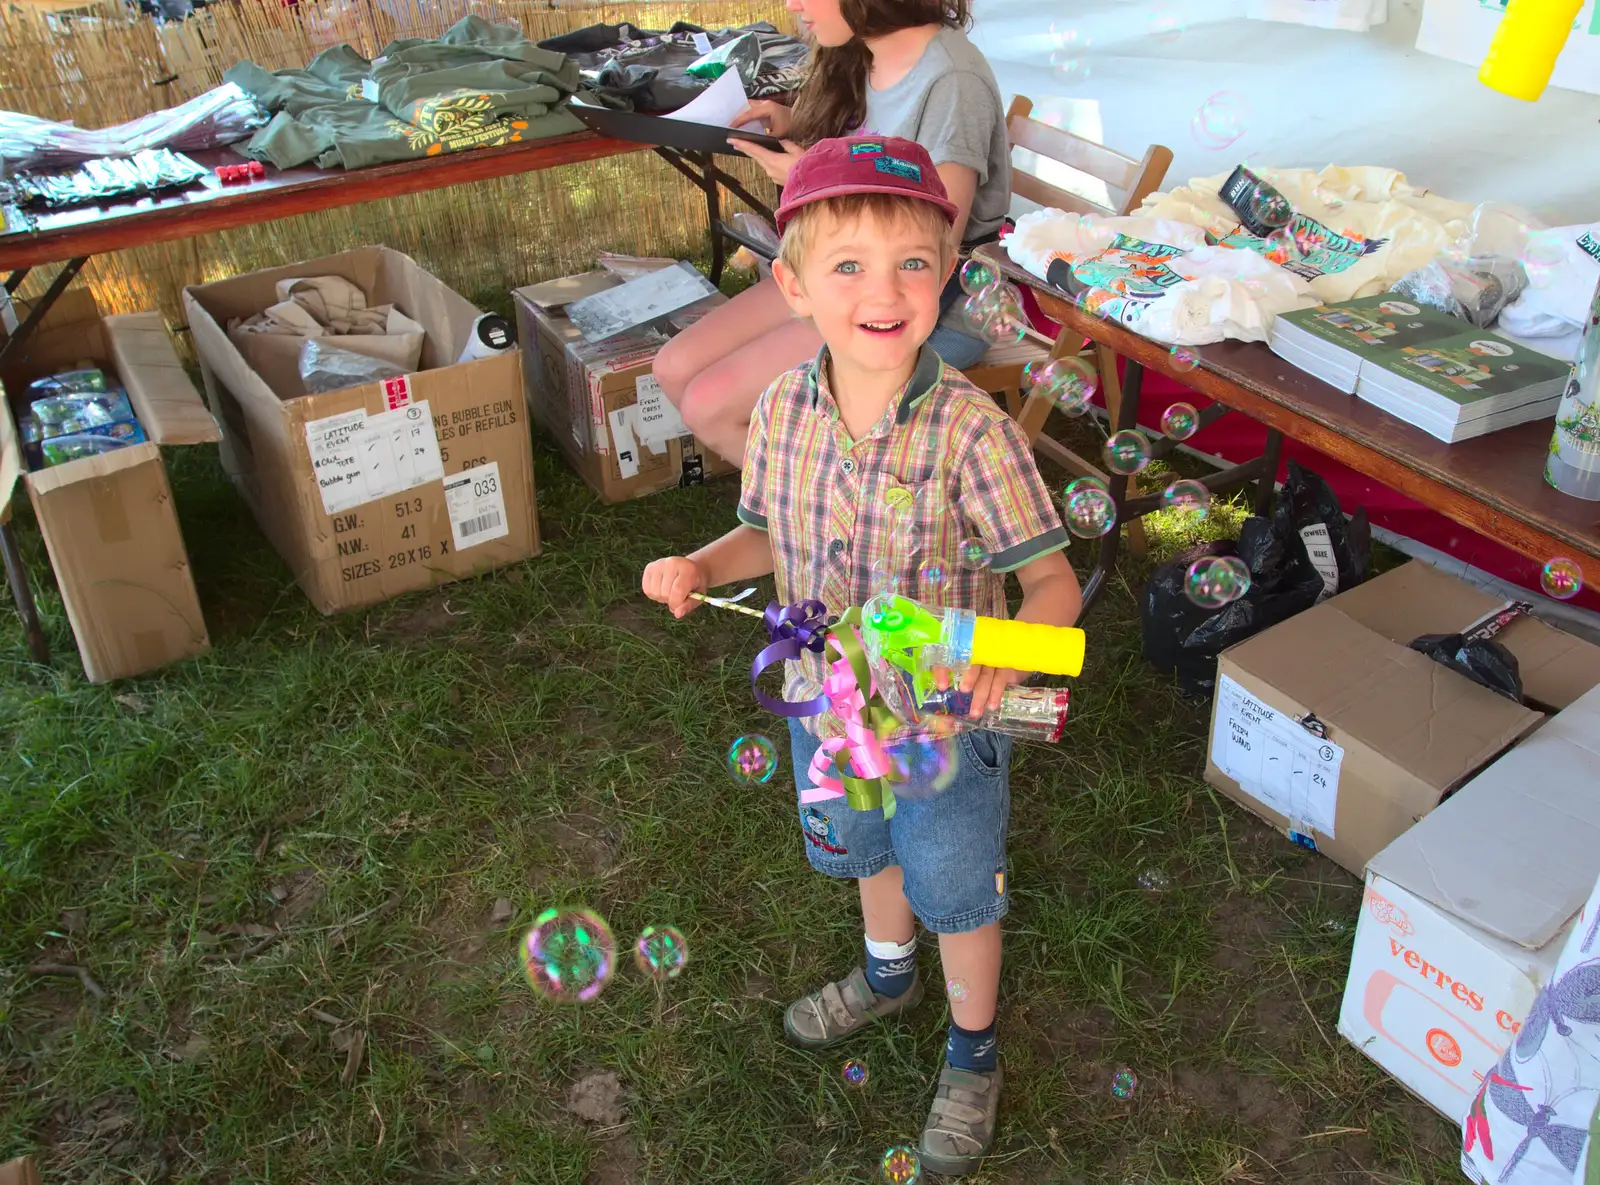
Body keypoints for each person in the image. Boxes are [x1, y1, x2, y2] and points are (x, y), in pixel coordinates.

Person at [641, 138, 1080, 1176]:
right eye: (847, 266)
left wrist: (1005, 661)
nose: (882, 292)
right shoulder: (784, 410)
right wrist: (700, 565)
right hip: (827, 704)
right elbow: (766, 533)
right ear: (791, 286)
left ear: (947, 280)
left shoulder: (975, 436)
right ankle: (888, 975)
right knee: (863, 843)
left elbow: (1053, 590)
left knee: (954, 881)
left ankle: (971, 1049)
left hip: (942, 720)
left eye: (912, 264)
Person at [651, 0, 1011, 467]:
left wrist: (810, 176)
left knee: (710, 408)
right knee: (673, 369)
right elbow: (870, 149)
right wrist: (791, 121)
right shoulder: (869, 53)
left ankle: (831, 515)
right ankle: (804, 489)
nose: (791, 4)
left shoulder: (953, 82)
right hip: (843, 274)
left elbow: (938, 238)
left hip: (921, 300)